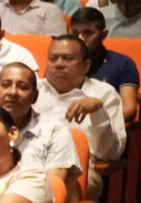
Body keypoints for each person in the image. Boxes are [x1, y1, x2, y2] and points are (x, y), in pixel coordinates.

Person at [39, 35, 128, 177]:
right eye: (53, 58)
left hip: (79, 173)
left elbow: (110, 153)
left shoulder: (104, 93)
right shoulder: (32, 90)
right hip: (30, 166)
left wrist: (99, 112)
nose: (59, 64)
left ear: (86, 66)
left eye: (67, 59)